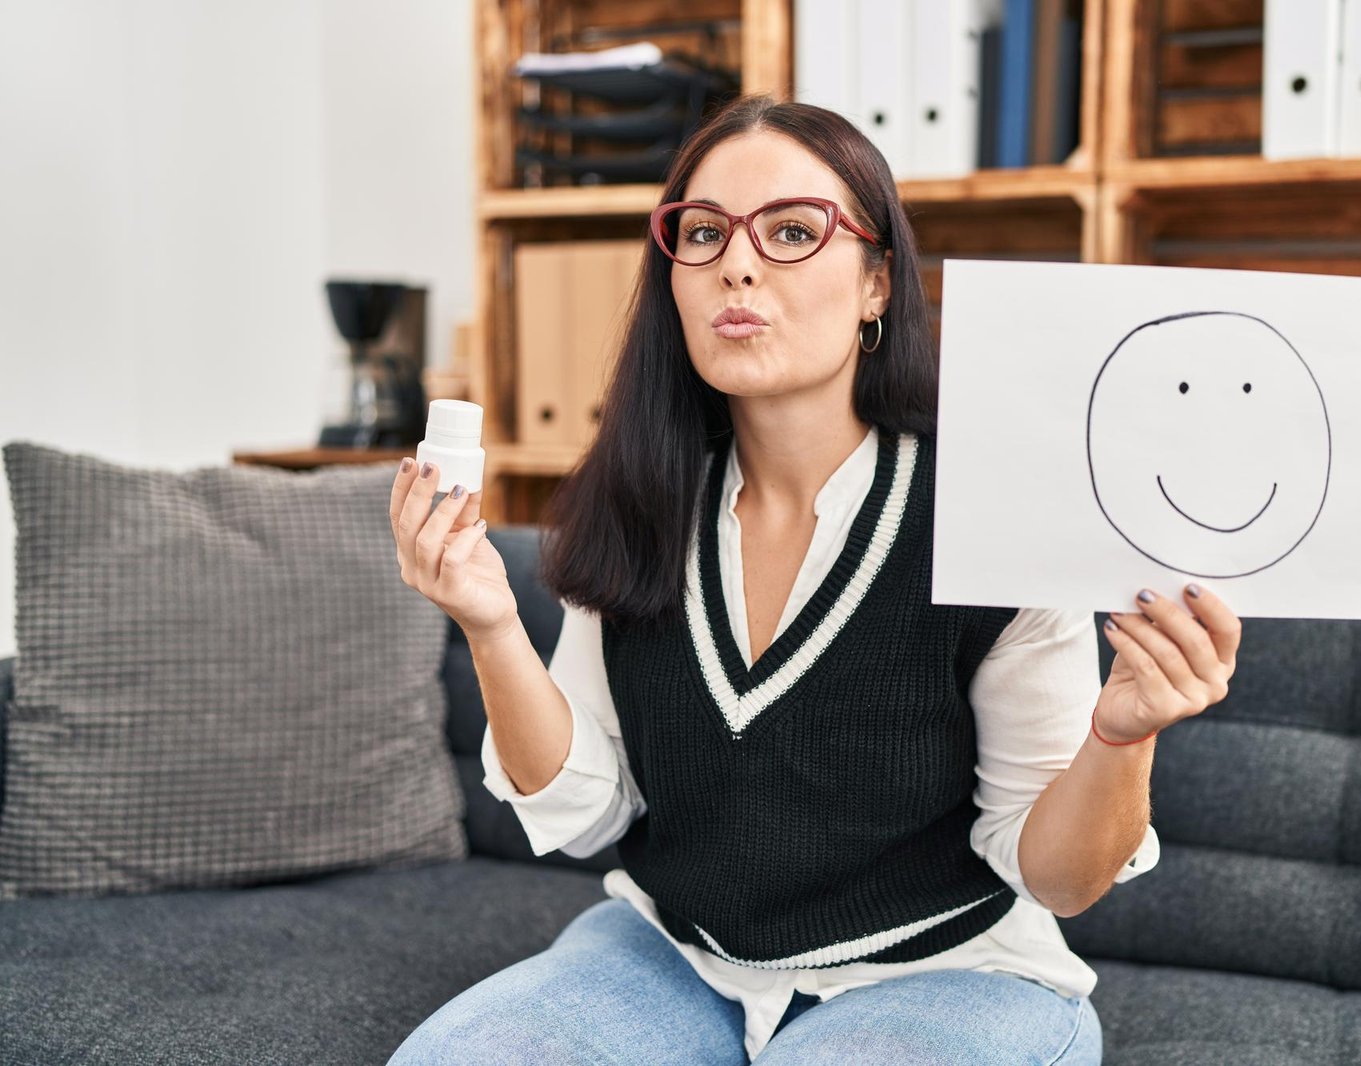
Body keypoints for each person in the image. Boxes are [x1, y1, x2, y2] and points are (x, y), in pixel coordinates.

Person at [384, 94, 1240, 1065]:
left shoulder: (988, 521)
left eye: (792, 231)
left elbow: (1060, 880)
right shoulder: (636, 501)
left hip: (947, 977)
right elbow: (584, 816)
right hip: (673, 955)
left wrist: (1121, 735)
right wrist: (491, 625)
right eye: (702, 233)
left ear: (877, 283)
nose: (736, 265)